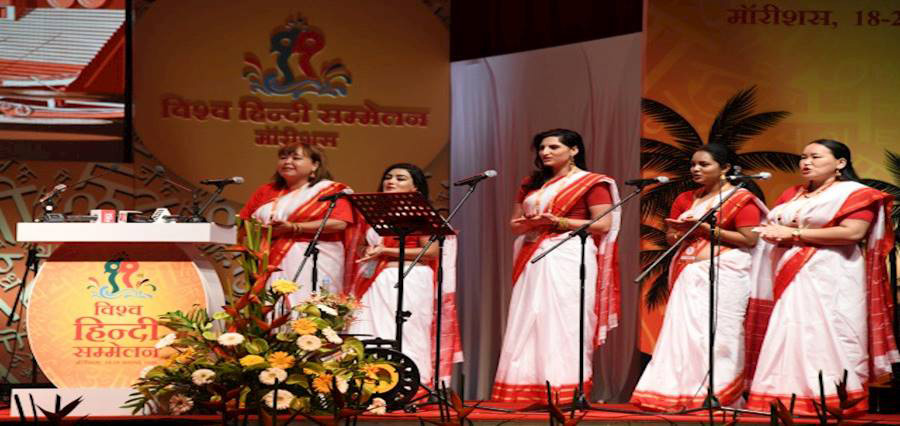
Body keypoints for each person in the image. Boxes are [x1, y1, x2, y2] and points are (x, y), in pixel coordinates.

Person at [746, 140, 898, 415]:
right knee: (791, 329)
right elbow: (774, 226)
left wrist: (794, 234)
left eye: (815, 157)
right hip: (789, 271)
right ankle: (785, 398)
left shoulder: (855, 194)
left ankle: (830, 399)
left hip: (832, 273)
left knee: (827, 331)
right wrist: (772, 234)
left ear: (840, 163)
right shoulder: (792, 193)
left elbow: (852, 232)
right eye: (803, 157)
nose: (806, 162)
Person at [630, 144, 766, 411]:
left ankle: (720, 393)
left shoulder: (741, 198)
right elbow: (671, 237)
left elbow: (749, 239)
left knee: (720, 333)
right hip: (688, 272)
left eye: (704, 164)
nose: (695, 169)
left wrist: (705, 230)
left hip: (726, 273)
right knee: (685, 334)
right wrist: (678, 232)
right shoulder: (685, 199)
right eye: (693, 164)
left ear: (725, 168)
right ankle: (679, 392)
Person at [491, 129, 620, 403]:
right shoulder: (531, 183)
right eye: (541, 148)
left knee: (564, 319)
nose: (545, 152)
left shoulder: (591, 183)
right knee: (530, 316)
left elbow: (603, 224)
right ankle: (528, 387)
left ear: (574, 150)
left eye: (553, 147)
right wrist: (533, 223)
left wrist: (558, 222)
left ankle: (565, 389)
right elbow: (514, 225)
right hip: (533, 252)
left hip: (570, 253)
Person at [347, 163, 463, 386]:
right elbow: (362, 245)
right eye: (388, 177)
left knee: (408, 332)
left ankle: (411, 385)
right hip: (375, 279)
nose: (391, 181)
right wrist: (367, 251)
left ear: (415, 187)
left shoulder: (420, 213)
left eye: (400, 178)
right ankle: (372, 385)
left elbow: (430, 251)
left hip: (410, 278)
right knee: (369, 330)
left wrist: (386, 251)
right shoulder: (373, 214)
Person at [239, 142, 355, 304]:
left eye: (296, 158)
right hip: (268, 258)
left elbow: (339, 223)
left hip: (315, 258)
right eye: (283, 157)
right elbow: (243, 223)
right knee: (273, 306)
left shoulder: (330, 190)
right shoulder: (266, 191)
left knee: (309, 307)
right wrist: (262, 231)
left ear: (315, 165)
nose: (287, 162)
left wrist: (294, 228)